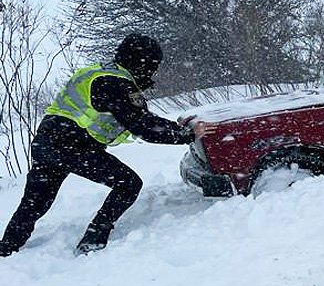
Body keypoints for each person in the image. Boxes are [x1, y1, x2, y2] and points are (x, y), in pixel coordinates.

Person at [0, 33, 215, 257]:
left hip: (46, 143)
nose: (153, 72)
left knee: (35, 201)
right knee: (128, 184)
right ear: (141, 62)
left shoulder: (99, 73)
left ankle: (7, 248)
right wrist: (186, 134)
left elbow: (139, 117)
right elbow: (143, 126)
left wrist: (173, 126)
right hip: (72, 146)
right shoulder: (116, 83)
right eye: (153, 66)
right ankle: (93, 239)